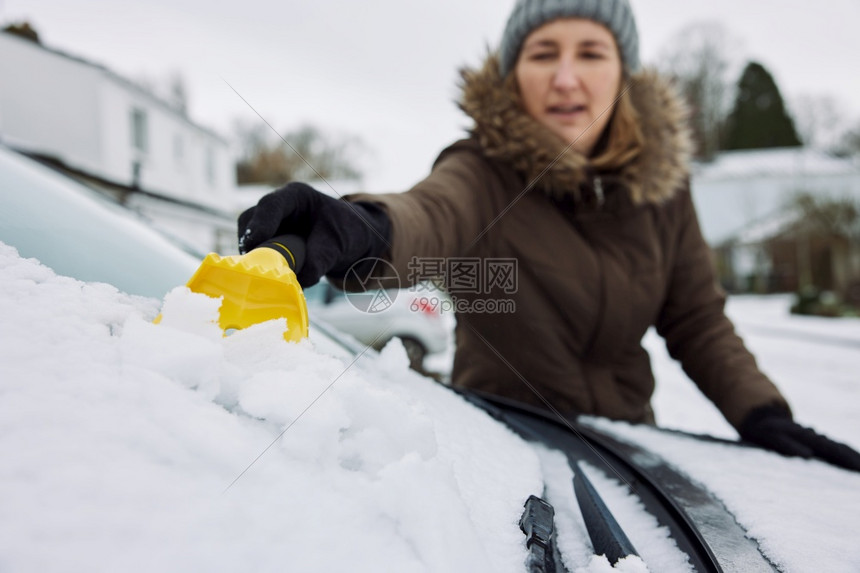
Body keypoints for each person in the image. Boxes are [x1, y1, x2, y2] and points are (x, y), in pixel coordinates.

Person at [238, 0, 860, 472]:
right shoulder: (482, 171)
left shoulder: (664, 192)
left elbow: (698, 320)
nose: (566, 77)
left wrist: (761, 413)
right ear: (514, 75)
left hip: (633, 458)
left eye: (591, 52)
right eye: (543, 54)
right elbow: (431, 213)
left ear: (624, 72)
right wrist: (368, 229)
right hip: (508, 452)